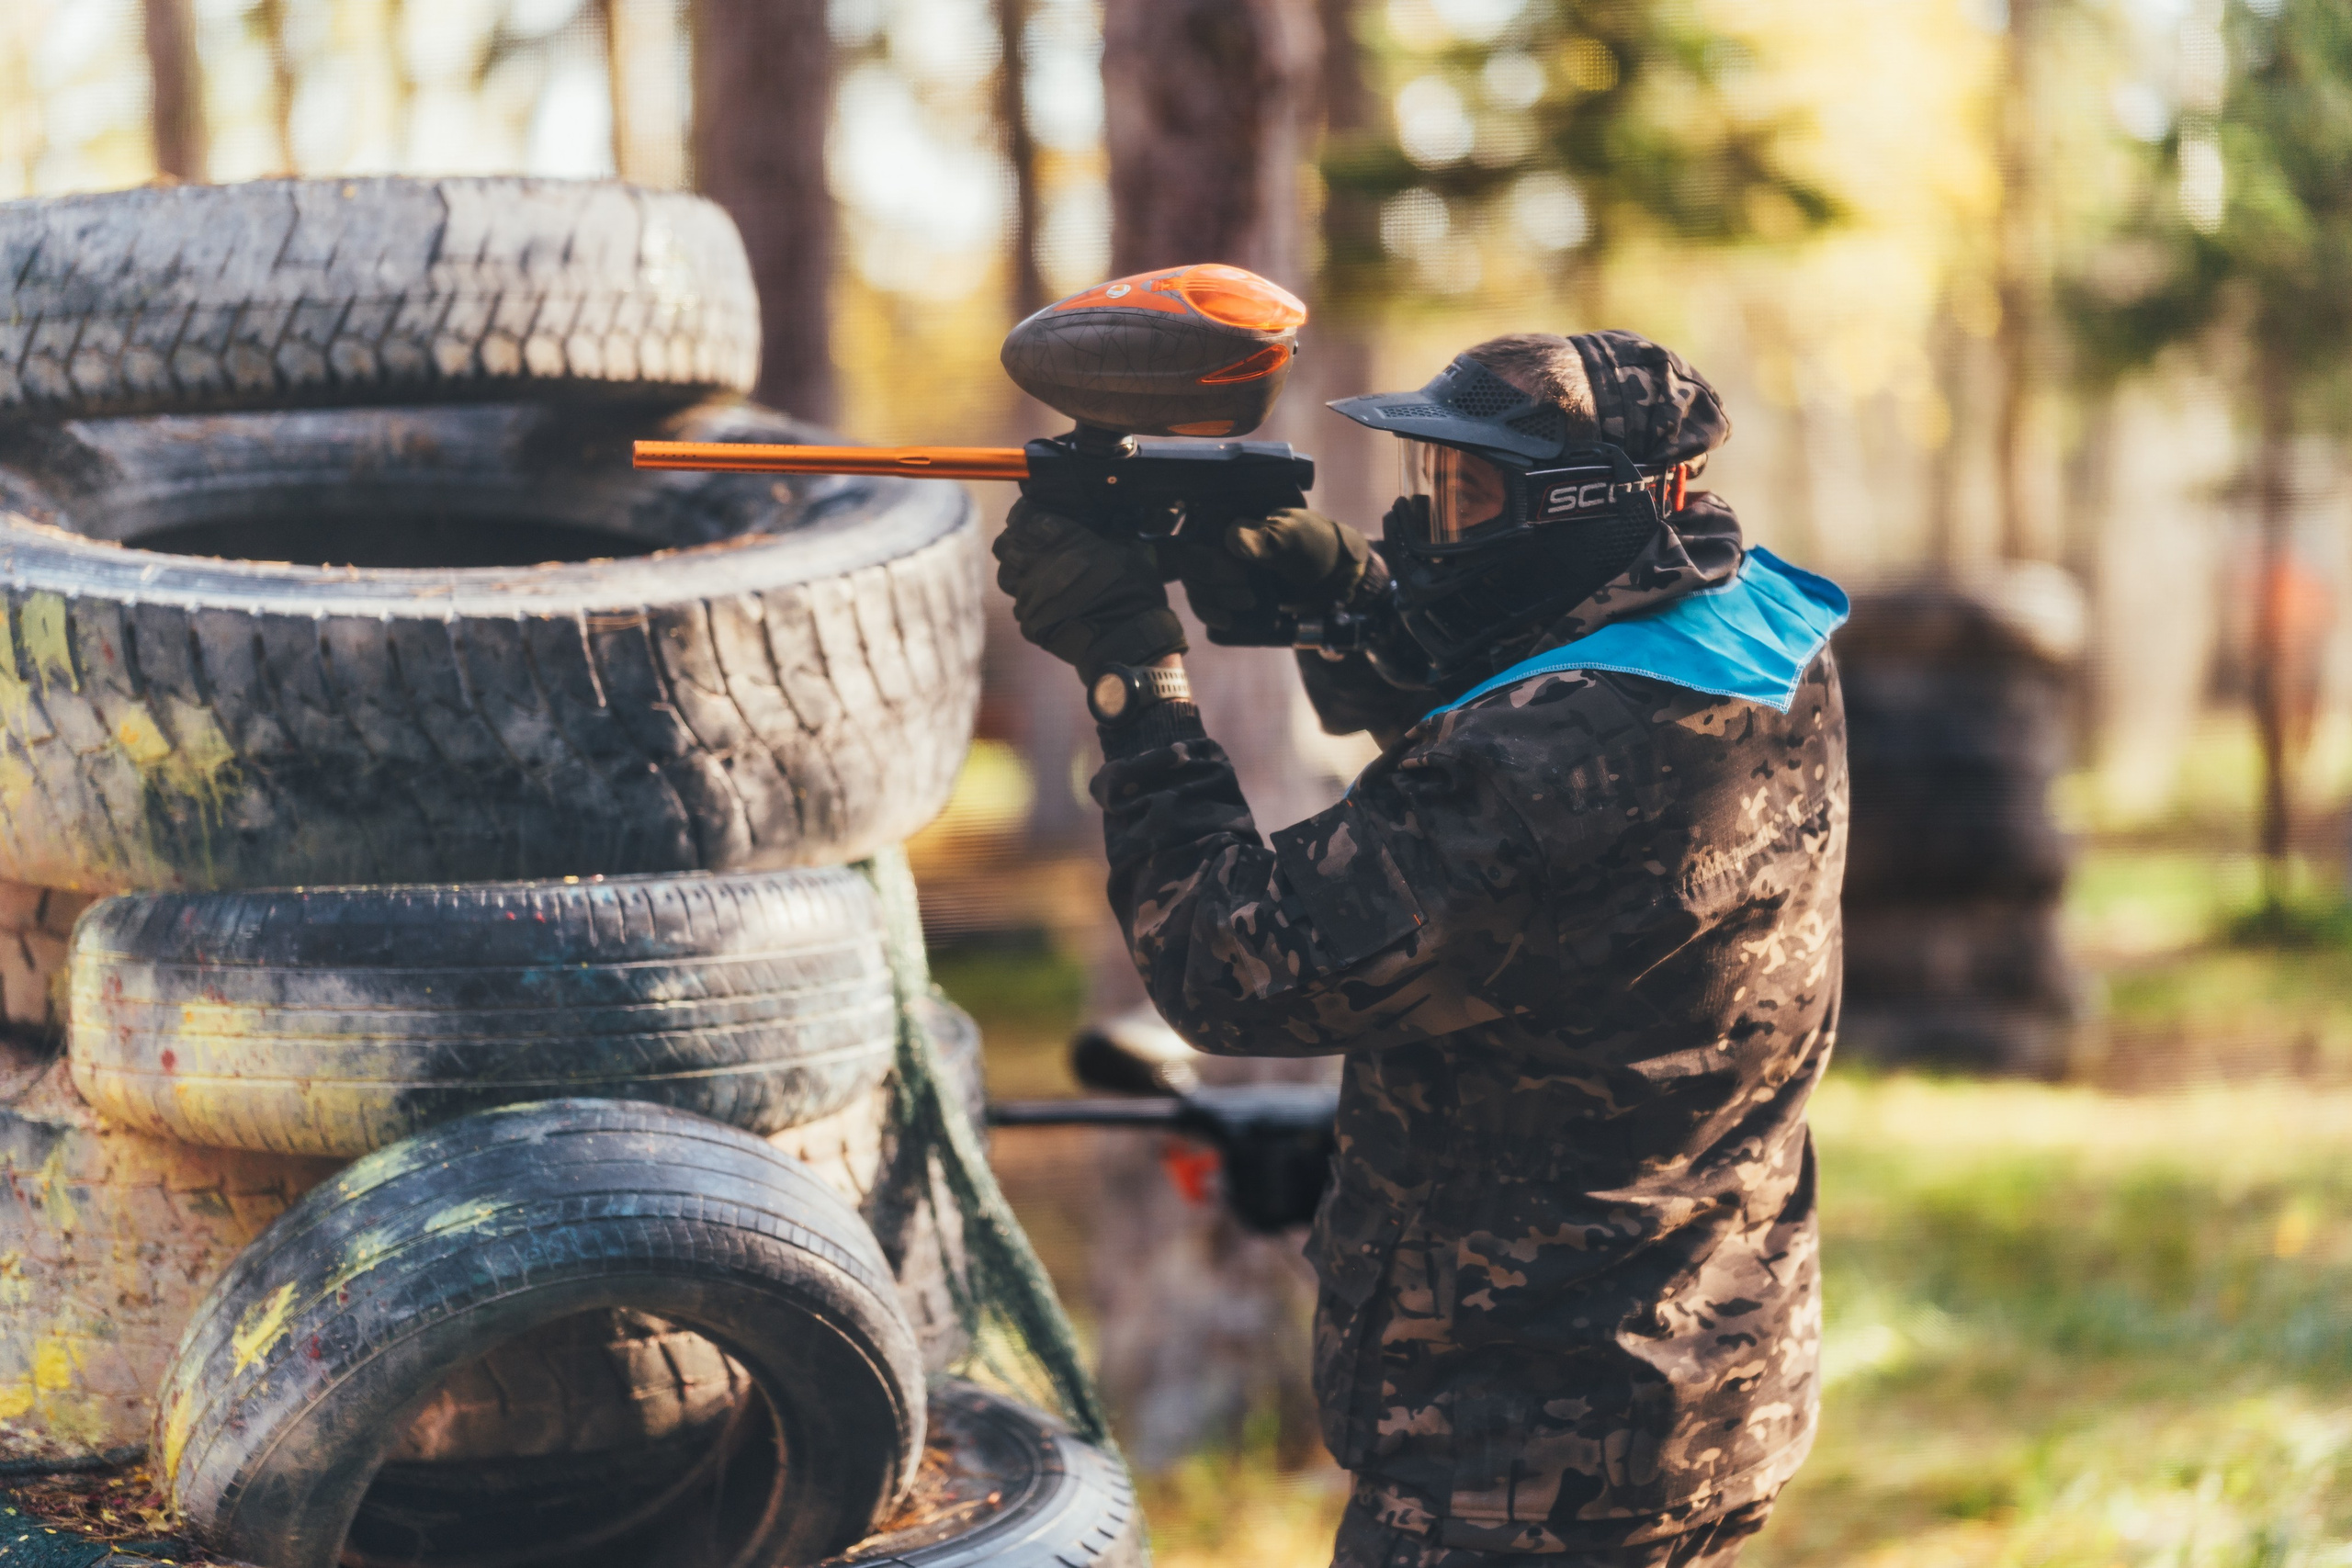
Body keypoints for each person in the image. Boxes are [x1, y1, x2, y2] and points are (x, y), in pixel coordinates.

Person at [991, 329, 1849, 1568]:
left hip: (1524, 1449)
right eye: (1439, 486)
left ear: (1585, 507)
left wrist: (1134, 677)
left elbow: (1238, 966)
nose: (1442, 524)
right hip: (1712, 1377)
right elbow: (1559, 675)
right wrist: (1341, 597)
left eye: (1479, 493)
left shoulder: (1542, 770)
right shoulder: (1760, 630)